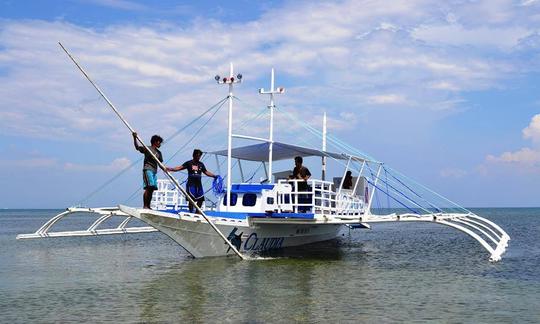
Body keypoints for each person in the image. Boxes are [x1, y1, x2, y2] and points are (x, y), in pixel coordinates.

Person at [167, 149, 217, 213]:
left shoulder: (201, 164)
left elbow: (206, 172)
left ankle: (197, 212)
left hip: (198, 184)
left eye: (199, 156)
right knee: (191, 199)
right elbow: (179, 168)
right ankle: (191, 212)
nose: (198, 157)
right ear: (194, 155)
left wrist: (214, 176)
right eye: (197, 156)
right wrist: (171, 169)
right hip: (191, 184)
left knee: (201, 199)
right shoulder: (189, 163)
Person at [133, 132, 163, 209]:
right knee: (149, 187)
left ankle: (148, 206)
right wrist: (134, 138)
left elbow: (160, 163)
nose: (160, 144)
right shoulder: (148, 148)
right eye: (159, 142)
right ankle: (145, 205)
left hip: (154, 171)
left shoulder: (159, 153)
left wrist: (165, 168)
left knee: (152, 188)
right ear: (155, 142)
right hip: (147, 169)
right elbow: (137, 147)